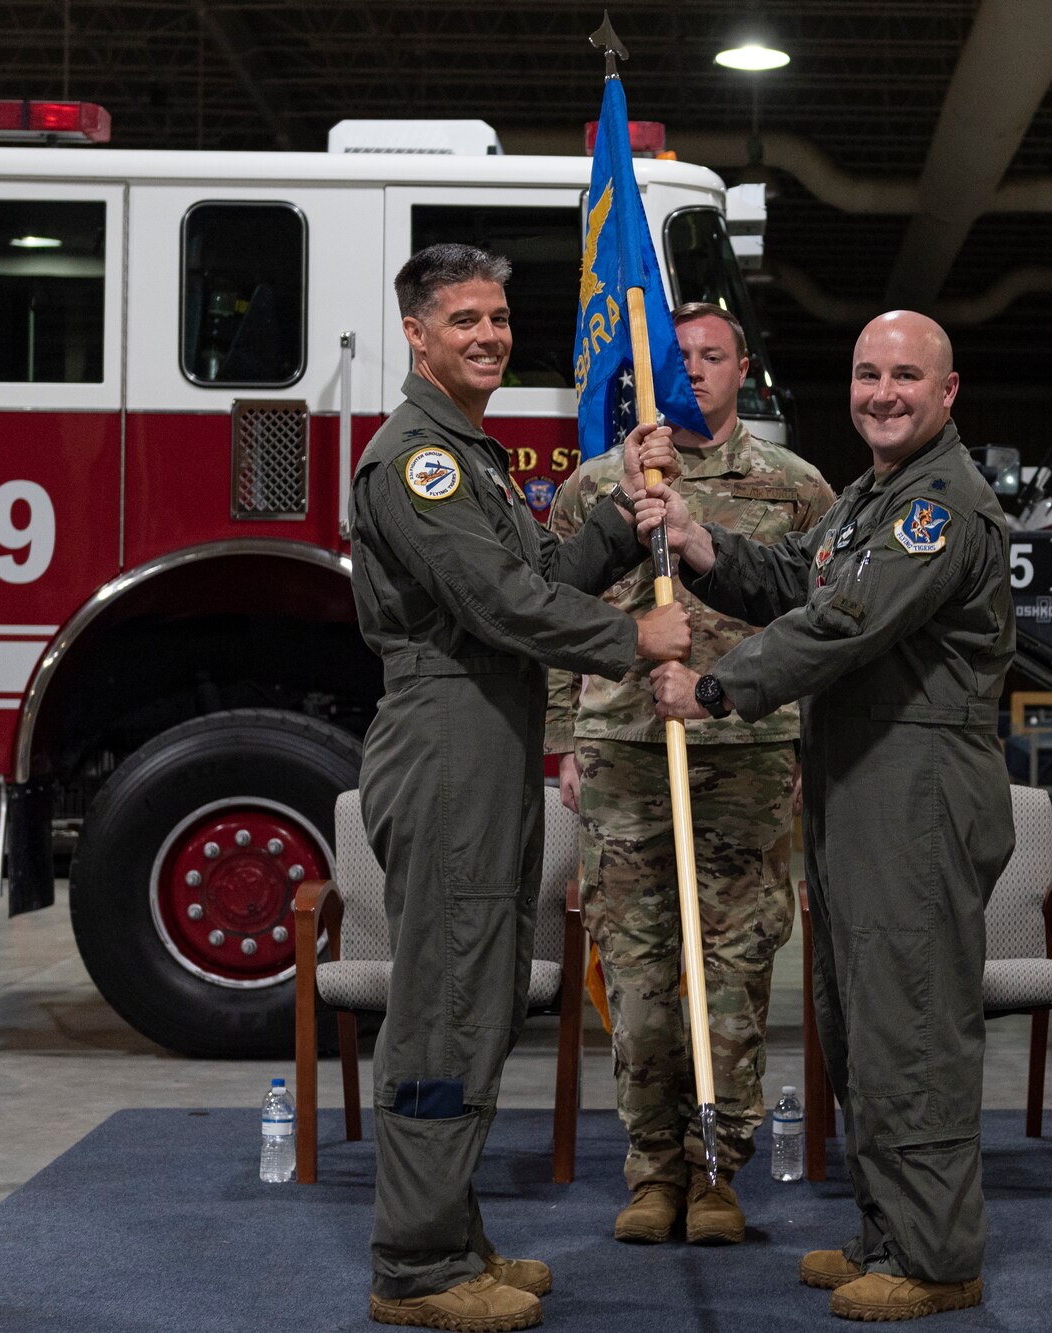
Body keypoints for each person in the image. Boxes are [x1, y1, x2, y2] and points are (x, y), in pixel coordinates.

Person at [647, 310, 1013, 1323]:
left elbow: (842, 621)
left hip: (919, 785)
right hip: (859, 779)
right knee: (856, 1022)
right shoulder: (872, 495)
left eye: (904, 375)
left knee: (912, 1025)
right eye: (865, 374)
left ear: (947, 392)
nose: (881, 393)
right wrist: (701, 543)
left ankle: (937, 1255)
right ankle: (888, 1227)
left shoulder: (938, 505)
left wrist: (715, 691)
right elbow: (803, 576)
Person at [352, 242, 691, 1332]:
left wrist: (616, 510)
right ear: (414, 332)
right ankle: (413, 1264)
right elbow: (500, 603)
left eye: (497, 318)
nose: (488, 336)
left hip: (488, 732)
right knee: (445, 999)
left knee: (485, 987)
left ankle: (452, 1231)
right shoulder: (420, 459)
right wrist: (637, 638)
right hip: (447, 728)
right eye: (463, 320)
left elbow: (534, 579)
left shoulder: (473, 454)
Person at [544, 301, 835, 1245]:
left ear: (743, 368)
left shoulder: (793, 488)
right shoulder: (597, 488)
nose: (695, 372)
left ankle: (717, 1170)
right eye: (680, 358)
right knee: (635, 976)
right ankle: (652, 1169)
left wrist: (803, 746)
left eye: (713, 357)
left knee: (733, 976)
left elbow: (824, 626)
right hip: (625, 755)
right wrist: (567, 744)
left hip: (747, 760)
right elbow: (547, 615)